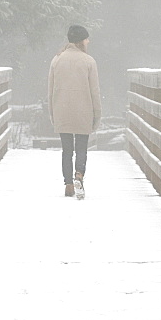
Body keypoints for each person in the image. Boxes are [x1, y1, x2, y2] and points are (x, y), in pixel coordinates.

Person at [48, 24, 101, 198]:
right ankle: (79, 174)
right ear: (81, 41)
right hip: (83, 111)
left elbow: (51, 91)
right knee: (81, 149)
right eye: (86, 38)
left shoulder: (57, 60)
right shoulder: (89, 61)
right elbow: (95, 92)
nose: (89, 41)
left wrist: (53, 114)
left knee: (67, 150)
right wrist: (96, 115)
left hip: (62, 110)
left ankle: (68, 185)